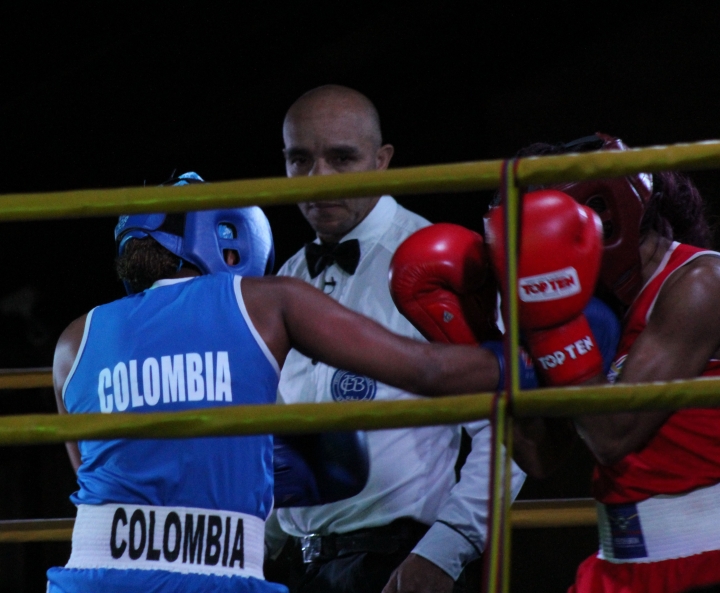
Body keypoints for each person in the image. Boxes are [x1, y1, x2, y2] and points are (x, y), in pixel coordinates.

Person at [46, 179, 508, 592]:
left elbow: (95, 473)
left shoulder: (73, 341)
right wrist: (538, 357)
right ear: (229, 244)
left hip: (90, 573)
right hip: (219, 573)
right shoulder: (267, 301)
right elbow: (429, 371)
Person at [269, 84, 525, 593]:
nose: (319, 179)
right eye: (301, 160)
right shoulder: (285, 279)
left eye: (342, 158)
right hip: (295, 568)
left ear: (383, 160)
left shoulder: (440, 265)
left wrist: (443, 552)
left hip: (395, 559)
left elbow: (507, 432)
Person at [491, 134, 720, 593]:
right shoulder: (588, 305)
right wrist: (478, 344)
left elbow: (612, 435)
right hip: (618, 566)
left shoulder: (698, 282)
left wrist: (553, 324)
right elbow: (540, 457)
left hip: (704, 566)